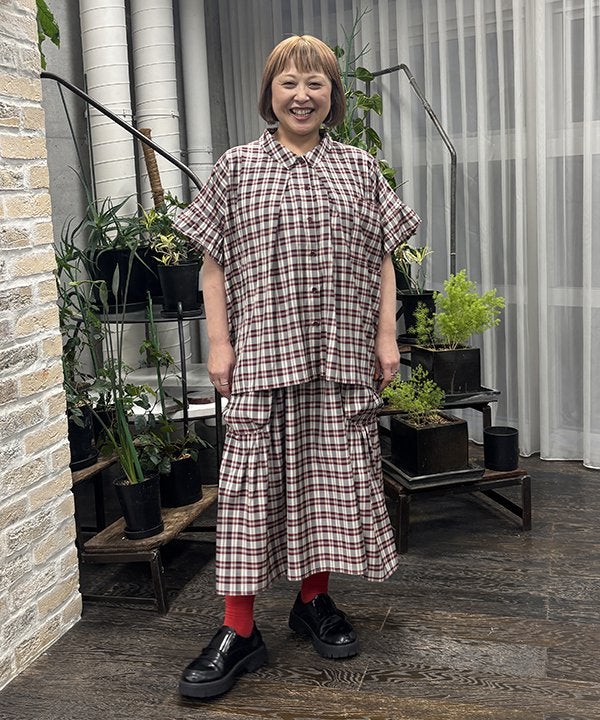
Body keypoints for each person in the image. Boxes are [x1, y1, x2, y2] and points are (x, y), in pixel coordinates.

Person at [173, 34, 421, 699]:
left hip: (339, 355)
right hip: (261, 354)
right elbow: (213, 266)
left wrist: (386, 337)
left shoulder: (360, 169)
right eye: (289, 83)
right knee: (249, 489)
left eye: (316, 83)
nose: (302, 95)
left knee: (326, 479)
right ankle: (239, 630)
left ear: (332, 95)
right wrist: (219, 344)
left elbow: (382, 259)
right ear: (270, 93)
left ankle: (314, 601)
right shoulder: (236, 167)